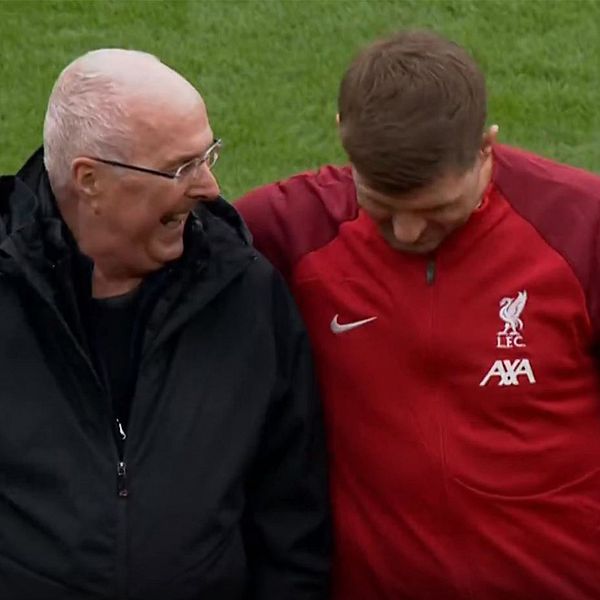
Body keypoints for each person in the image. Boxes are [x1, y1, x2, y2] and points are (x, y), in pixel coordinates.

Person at [236, 29, 600, 599]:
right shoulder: (292, 230)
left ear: (486, 147)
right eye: (380, 206)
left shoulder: (580, 229)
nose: (407, 232)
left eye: (436, 209)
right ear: (343, 139)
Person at [0, 49, 330, 600]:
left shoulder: (244, 293)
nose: (210, 189)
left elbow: (291, 516)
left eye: (210, 156)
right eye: (182, 168)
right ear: (91, 181)